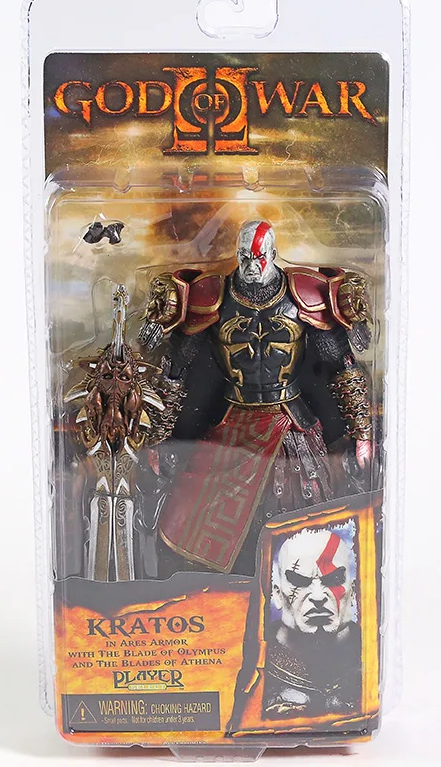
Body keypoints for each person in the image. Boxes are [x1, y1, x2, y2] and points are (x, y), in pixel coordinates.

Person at [138, 220, 373, 576]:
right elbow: (176, 368)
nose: (251, 265)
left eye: (259, 257)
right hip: (234, 420)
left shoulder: (305, 295)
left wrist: (362, 435)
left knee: (299, 516)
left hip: (290, 420)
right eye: (244, 256)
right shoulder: (212, 297)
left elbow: (342, 364)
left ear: (274, 254)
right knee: (197, 513)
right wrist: (156, 439)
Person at [264, 527, 361, 716]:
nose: (317, 596)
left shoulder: (374, 656)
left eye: (333, 579)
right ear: (277, 594)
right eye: (299, 581)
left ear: (353, 592)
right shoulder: (250, 661)